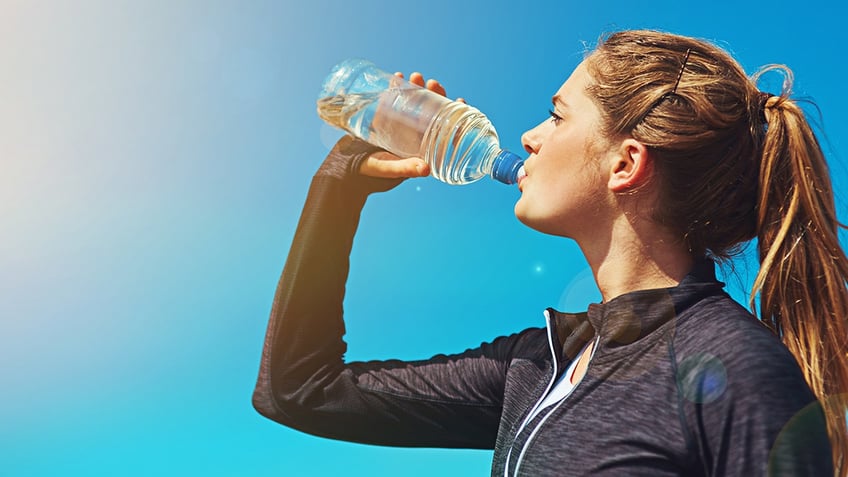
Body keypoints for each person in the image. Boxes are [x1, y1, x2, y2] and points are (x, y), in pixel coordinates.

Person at [252, 29, 846, 476]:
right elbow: (300, 392)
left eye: (558, 115)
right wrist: (339, 186)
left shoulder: (737, 366)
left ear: (626, 163)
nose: (530, 137)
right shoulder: (536, 366)